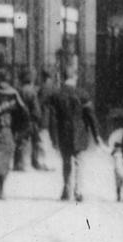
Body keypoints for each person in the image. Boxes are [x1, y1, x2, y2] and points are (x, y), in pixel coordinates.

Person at [43, 68, 101, 202]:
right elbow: (90, 115)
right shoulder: (83, 94)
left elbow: (53, 117)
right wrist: (96, 134)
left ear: (63, 78)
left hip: (63, 132)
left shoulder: (56, 95)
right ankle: (78, 190)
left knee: (66, 161)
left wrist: (53, 136)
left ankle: (66, 189)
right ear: (74, 77)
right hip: (79, 133)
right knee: (79, 162)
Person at [0, 70, 26, 199]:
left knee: (4, 162)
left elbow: (23, 115)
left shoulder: (14, 99)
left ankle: (0, 187)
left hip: (6, 131)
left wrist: (19, 131)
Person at [13, 68, 48, 172]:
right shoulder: (32, 91)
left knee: (21, 142)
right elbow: (36, 108)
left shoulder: (18, 90)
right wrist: (38, 118)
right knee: (35, 141)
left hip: (21, 119)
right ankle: (35, 162)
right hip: (31, 120)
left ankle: (18, 163)